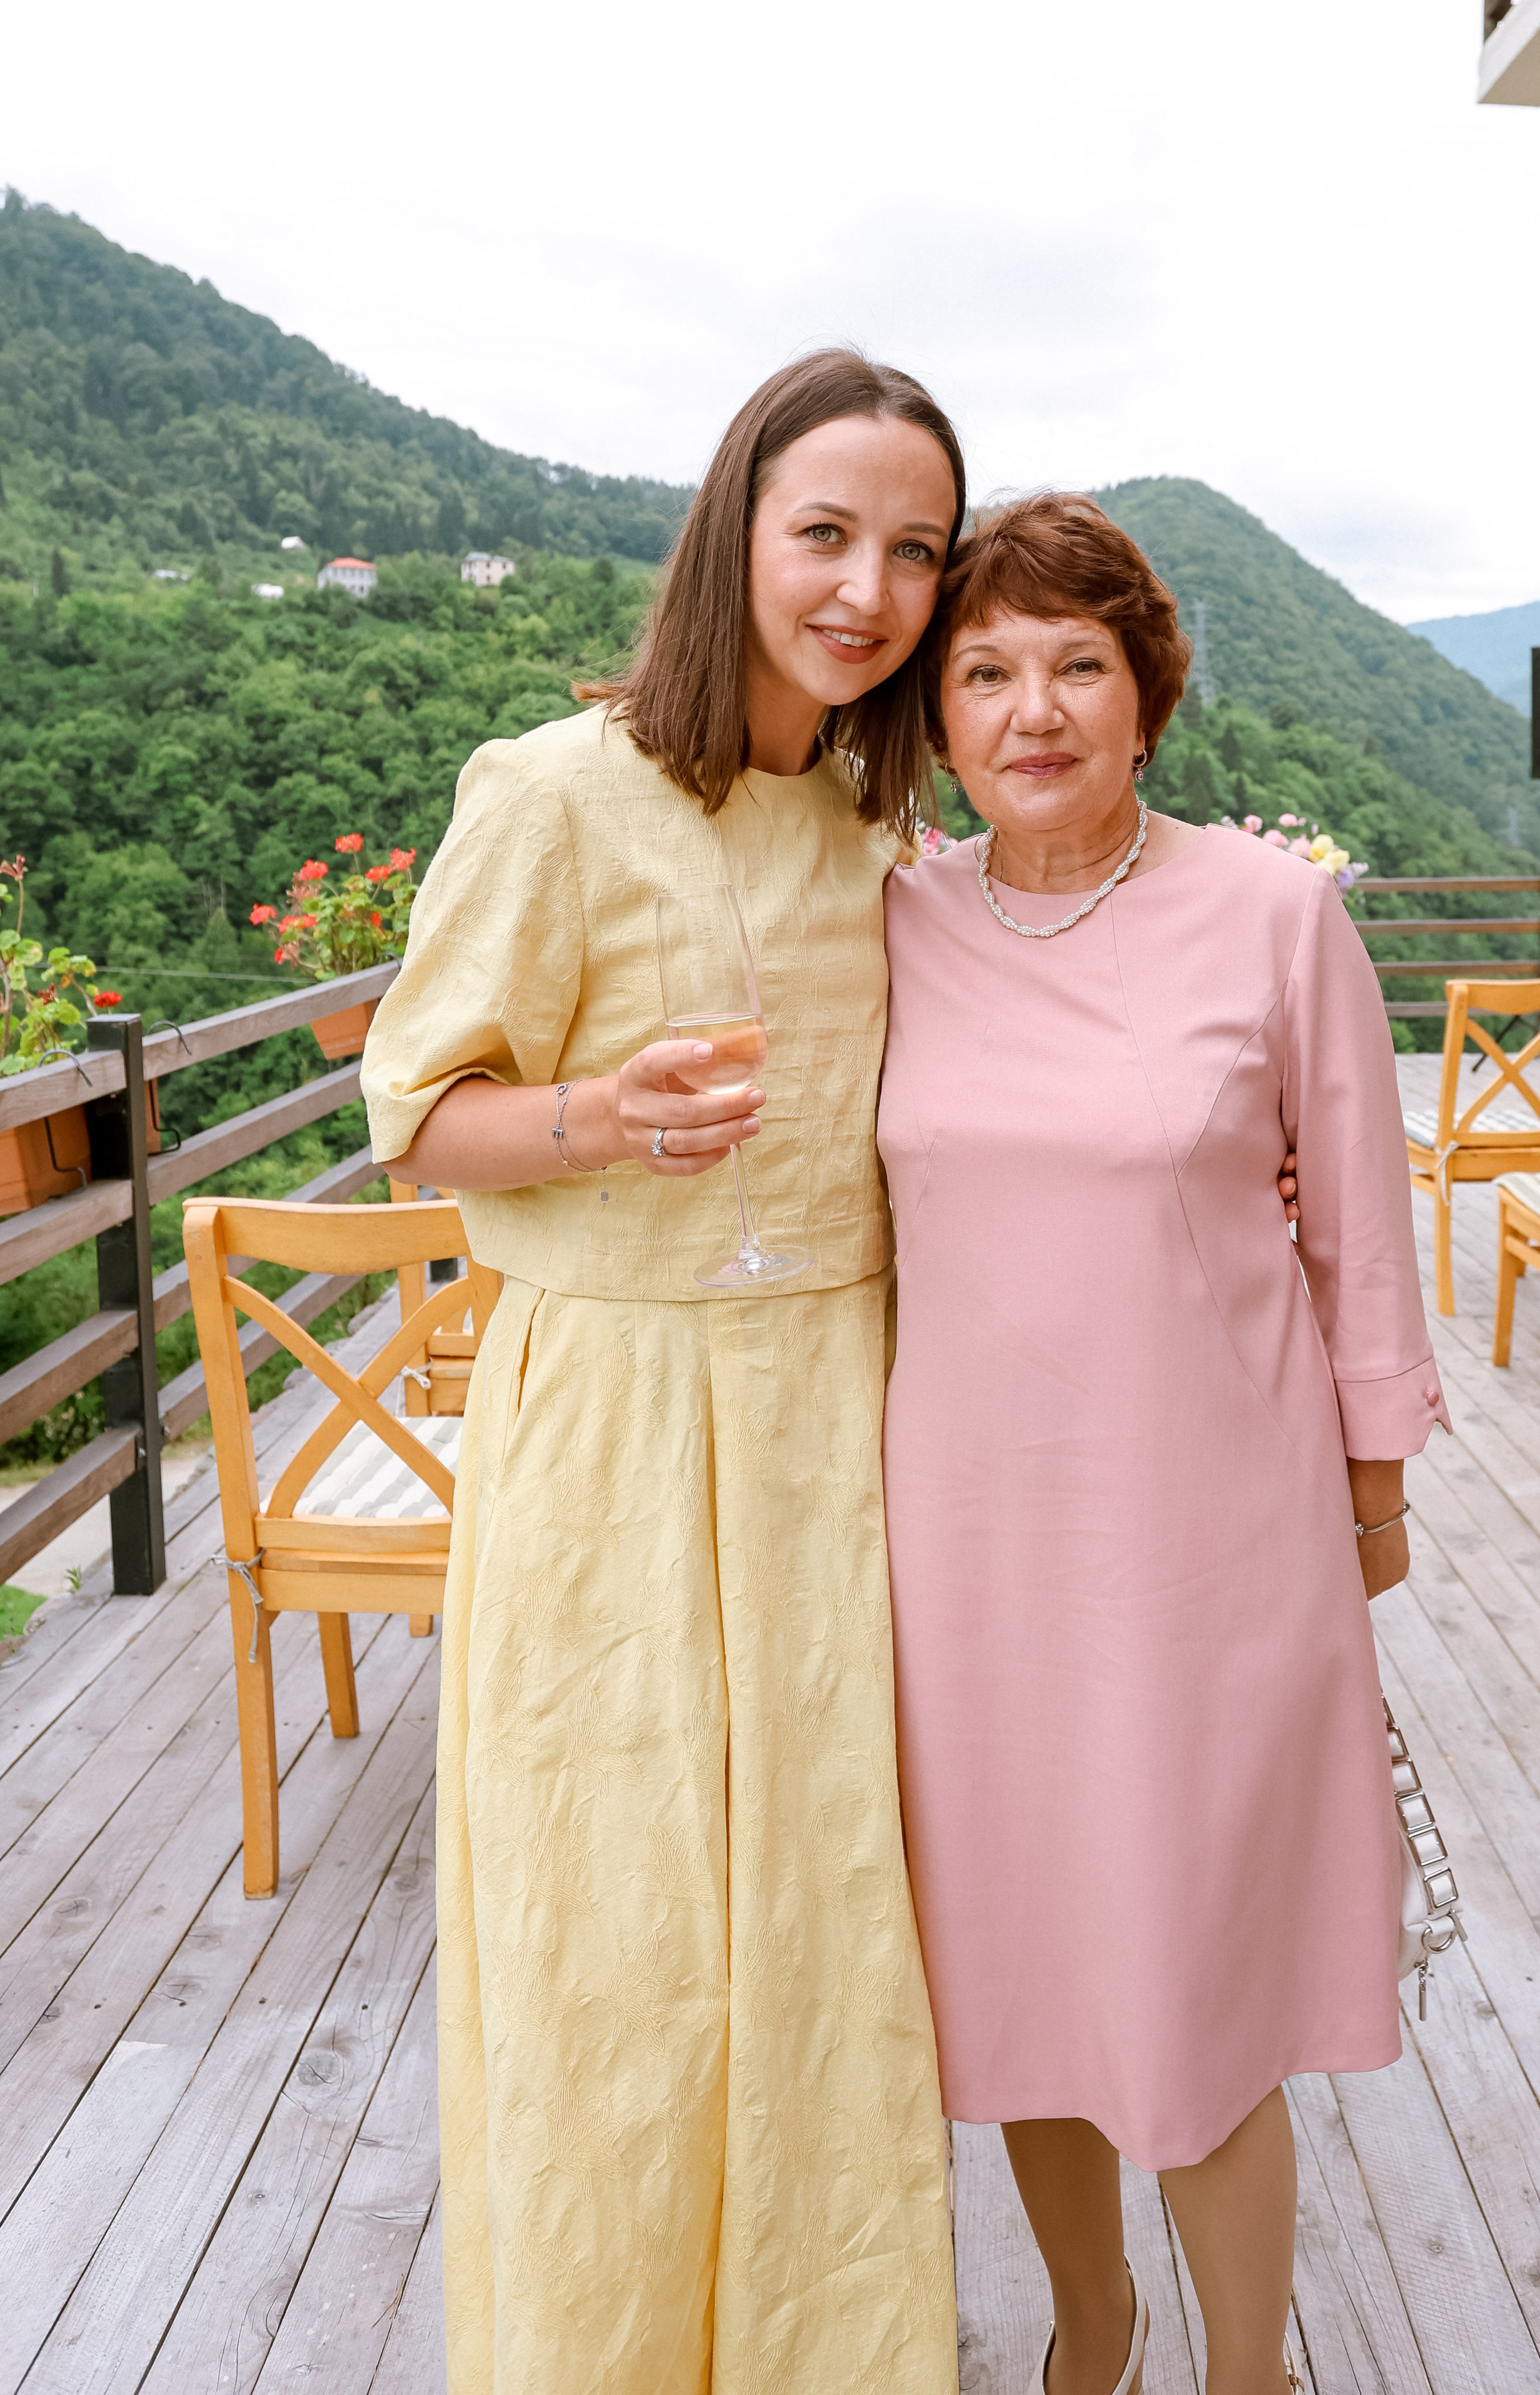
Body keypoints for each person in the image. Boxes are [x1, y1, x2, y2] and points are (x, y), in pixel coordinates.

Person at [360, 350, 966, 2394]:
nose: (867, 587)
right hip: (612, 1431)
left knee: (824, 1939)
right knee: (610, 1952)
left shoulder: (879, 830)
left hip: (839, 1431)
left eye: (914, 550)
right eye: (825, 532)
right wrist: (605, 1117)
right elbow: (419, 1118)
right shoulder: (551, 789)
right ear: (735, 533)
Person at [878, 494, 1450, 2395]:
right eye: (984, 670)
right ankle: (1092, 2321)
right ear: (939, 718)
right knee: (1024, 1966)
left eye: (1074, 665)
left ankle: (1249, 2370)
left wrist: (1371, 1496)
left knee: (1193, 1982)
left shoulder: (1270, 912)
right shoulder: (892, 919)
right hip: (961, 1543)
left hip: (1212, 1535)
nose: (1031, 708)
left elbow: (1360, 1219)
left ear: (1145, 696)